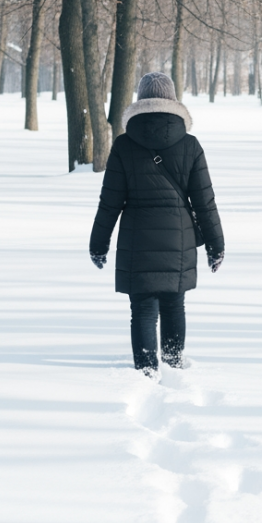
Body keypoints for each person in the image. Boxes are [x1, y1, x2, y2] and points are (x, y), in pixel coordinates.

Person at [89, 72, 225, 378]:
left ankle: (146, 371)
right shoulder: (190, 145)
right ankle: (174, 363)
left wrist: (98, 243)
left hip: (137, 238)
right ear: (173, 101)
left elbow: (109, 202)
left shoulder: (124, 145)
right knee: (174, 303)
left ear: (139, 101)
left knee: (143, 308)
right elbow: (205, 202)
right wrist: (216, 245)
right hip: (179, 239)